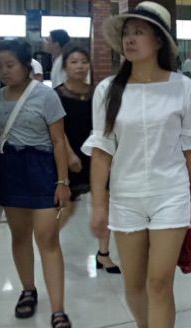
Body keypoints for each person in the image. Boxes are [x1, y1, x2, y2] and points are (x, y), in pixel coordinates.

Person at [82, 2, 191, 328]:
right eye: (127, 32)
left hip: (171, 194)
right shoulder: (108, 90)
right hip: (127, 196)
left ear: (158, 41)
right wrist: (99, 204)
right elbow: (101, 150)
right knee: (133, 285)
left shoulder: (182, 87)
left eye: (139, 32)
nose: (130, 39)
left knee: (159, 284)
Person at [0, 40, 73, 328]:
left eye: (10, 65)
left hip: (42, 170)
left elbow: (59, 142)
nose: (4, 71)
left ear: (26, 65)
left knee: (48, 238)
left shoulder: (45, 95)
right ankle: (28, 290)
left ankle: (58, 311)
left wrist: (62, 182)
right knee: (20, 235)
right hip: (10, 170)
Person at [55, 44, 120, 273]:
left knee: (105, 202)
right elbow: (57, 130)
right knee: (67, 206)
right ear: (65, 66)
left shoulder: (98, 92)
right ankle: (48, 244)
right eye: (74, 62)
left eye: (84, 62)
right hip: (69, 156)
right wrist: (69, 155)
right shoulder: (57, 95)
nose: (80, 67)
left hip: (97, 155)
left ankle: (103, 254)